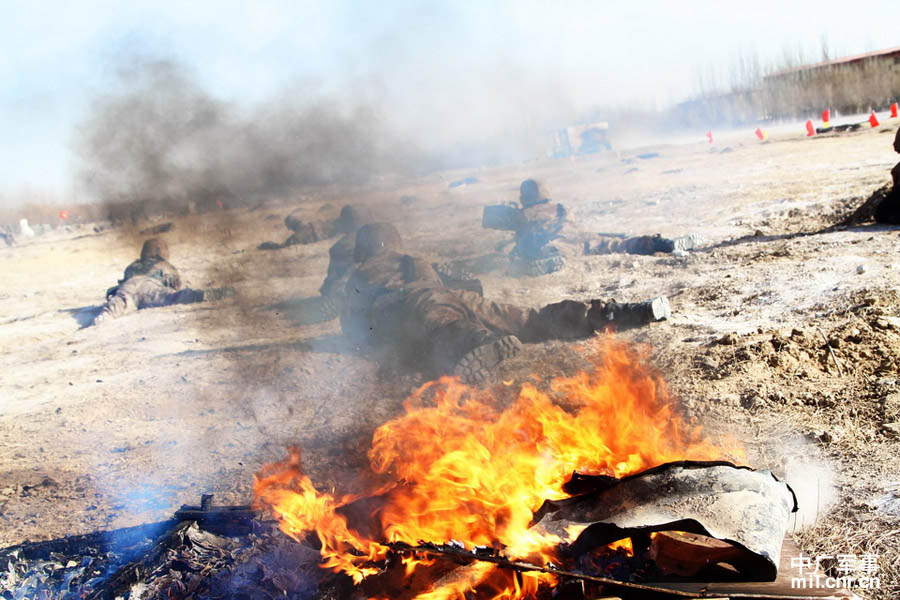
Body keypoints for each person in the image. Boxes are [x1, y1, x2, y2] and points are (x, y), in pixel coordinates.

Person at [340, 224, 670, 384]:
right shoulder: (414, 259)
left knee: (445, 324)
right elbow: (460, 280)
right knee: (527, 320)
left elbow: (351, 325)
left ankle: (484, 344)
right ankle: (610, 315)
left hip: (417, 306)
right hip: (452, 298)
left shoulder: (361, 272)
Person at [92, 238, 232, 325]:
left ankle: (104, 318)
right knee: (178, 297)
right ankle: (210, 295)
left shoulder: (133, 265)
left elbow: (124, 282)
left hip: (128, 287)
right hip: (150, 286)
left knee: (117, 304)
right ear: (160, 251)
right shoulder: (165, 266)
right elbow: (175, 286)